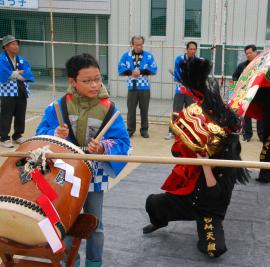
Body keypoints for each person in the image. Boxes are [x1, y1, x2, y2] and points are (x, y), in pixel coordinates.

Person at [143, 58, 249, 258]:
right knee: (153, 204)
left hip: (208, 207)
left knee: (213, 249)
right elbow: (178, 150)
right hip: (188, 197)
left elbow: (216, 193)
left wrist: (204, 162)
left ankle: (206, 229)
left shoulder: (229, 160)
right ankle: (158, 222)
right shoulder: (210, 127)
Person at [36, 53, 130, 267]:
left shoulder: (109, 109)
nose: (95, 85)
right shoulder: (58, 106)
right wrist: (54, 134)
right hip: (64, 173)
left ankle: (94, 262)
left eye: (98, 78)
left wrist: (104, 147)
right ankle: (69, 261)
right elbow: (39, 134)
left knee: (94, 222)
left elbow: (122, 142)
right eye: (87, 81)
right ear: (72, 82)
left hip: (93, 174)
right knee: (65, 219)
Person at [118, 35, 157, 138]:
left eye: (140, 45)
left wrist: (141, 71)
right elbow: (120, 70)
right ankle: (130, 130)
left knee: (144, 109)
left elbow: (154, 70)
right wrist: (131, 72)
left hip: (145, 88)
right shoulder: (126, 55)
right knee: (131, 110)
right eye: (136, 45)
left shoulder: (148, 56)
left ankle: (144, 130)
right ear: (132, 44)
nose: (139, 47)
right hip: (132, 87)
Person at [0, 35, 35, 148]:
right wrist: (17, 73)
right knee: (7, 114)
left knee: (20, 113)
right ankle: (4, 138)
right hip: (7, 92)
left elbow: (27, 73)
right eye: (13, 44)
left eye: (17, 44)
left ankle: (17, 135)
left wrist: (14, 74)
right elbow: (3, 73)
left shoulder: (21, 59)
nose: (16, 46)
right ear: (6, 47)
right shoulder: (2, 59)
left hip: (21, 90)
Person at [164, 41, 198, 140]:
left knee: (191, 113)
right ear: (187, 49)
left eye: (194, 49)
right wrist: (183, 80)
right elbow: (177, 73)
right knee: (176, 111)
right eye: (190, 49)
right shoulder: (179, 59)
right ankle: (171, 132)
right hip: (180, 89)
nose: (192, 51)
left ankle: (189, 134)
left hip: (191, 91)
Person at [232, 44, 263, 142]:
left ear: (256, 52)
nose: (248, 55)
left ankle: (262, 136)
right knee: (247, 115)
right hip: (246, 95)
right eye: (247, 53)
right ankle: (247, 135)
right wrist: (233, 91)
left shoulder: (262, 64)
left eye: (250, 53)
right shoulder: (242, 66)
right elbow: (234, 78)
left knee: (260, 115)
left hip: (260, 94)